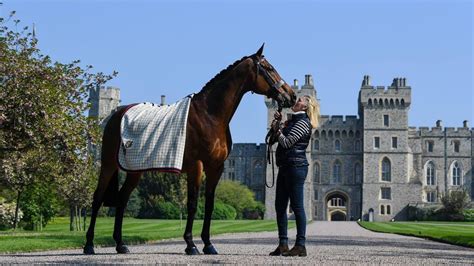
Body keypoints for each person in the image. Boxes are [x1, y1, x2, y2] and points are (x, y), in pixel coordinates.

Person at [269, 95, 319, 257]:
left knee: (297, 207)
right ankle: (283, 244)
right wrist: (276, 125)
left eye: (299, 100)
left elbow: (287, 142)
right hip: (285, 166)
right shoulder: (291, 122)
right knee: (280, 206)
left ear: (305, 107)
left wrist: (279, 130)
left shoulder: (303, 123)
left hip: (296, 167)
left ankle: (300, 245)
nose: (295, 102)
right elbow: (272, 141)